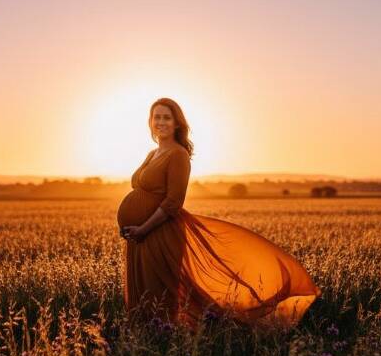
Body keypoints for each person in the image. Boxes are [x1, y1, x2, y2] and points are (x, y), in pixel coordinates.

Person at [117, 97, 321, 328]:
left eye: (166, 117)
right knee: (143, 295)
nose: (160, 122)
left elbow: (173, 202)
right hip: (139, 237)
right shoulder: (153, 153)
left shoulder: (178, 155)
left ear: (177, 123)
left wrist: (143, 228)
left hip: (158, 233)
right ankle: (144, 339)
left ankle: (192, 335)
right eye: (156, 117)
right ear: (150, 121)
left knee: (160, 294)